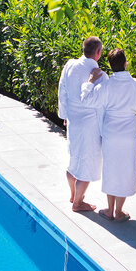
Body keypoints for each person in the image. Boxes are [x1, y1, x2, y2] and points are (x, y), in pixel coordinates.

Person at [82, 48, 136, 222]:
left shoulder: (106, 85)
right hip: (128, 133)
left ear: (110, 66)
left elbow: (87, 100)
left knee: (111, 169)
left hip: (111, 131)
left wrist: (89, 82)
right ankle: (119, 211)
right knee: (125, 170)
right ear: (126, 63)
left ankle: (110, 210)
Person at [57, 36, 104, 212]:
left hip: (73, 120)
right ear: (98, 53)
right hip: (89, 123)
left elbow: (62, 90)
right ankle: (78, 203)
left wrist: (64, 114)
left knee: (74, 157)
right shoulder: (97, 73)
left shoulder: (70, 64)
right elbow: (100, 103)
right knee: (88, 162)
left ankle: (73, 194)